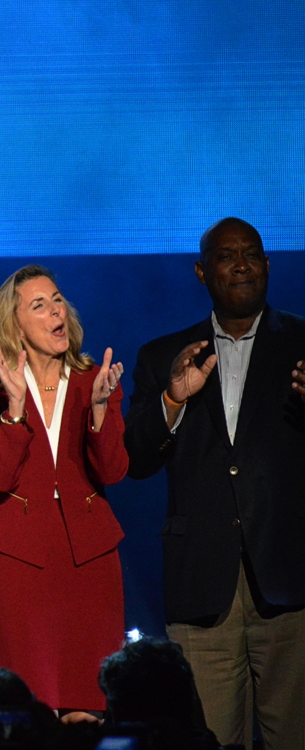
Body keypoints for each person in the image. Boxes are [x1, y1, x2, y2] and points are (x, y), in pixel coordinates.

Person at [124, 217, 305, 750]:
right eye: (227, 256)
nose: (242, 265)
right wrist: (172, 399)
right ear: (202, 272)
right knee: (209, 740)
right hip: (201, 585)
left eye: (252, 254)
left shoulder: (302, 342)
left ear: (268, 265)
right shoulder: (164, 356)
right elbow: (135, 460)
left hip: (291, 580)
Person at [0, 265, 127, 712]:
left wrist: (100, 410)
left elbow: (113, 470)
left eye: (57, 299)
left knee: (88, 703)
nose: (56, 310)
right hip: (18, 561)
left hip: (89, 557)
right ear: (13, 325)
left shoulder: (94, 380)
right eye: (39, 305)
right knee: (26, 708)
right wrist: (15, 407)